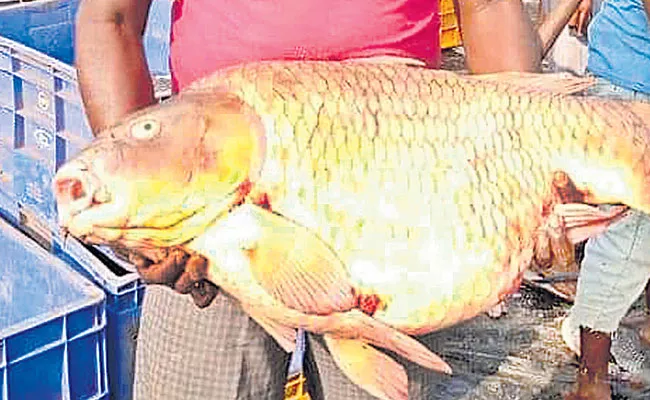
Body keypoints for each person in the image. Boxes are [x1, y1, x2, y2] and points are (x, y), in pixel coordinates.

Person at [74, 0, 546, 399]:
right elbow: (109, 18)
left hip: (403, 195)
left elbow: (488, 5)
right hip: (205, 201)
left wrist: (529, 169)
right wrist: (139, 200)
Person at [556, 0, 650, 399]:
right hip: (635, 90)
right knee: (626, 239)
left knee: (626, 238)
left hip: (623, 77)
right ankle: (591, 379)